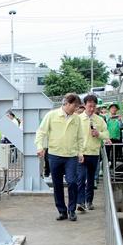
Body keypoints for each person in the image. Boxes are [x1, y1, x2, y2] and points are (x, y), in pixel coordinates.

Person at [35, 93, 84, 221]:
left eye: (77, 106)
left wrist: (80, 152)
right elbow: (41, 132)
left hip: (71, 156)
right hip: (54, 155)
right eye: (75, 105)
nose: (76, 109)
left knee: (72, 182)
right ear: (67, 103)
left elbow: (80, 137)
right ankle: (62, 211)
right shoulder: (51, 115)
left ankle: (72, 210)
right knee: (57, 184)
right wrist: (40, 147)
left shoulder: (76, 119)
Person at [77, 94, 109, 212]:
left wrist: (99, 134)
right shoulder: (78, 119)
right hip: (81, 153)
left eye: (94, 106)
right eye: (89, 106)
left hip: (94, 154)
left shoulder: (100, 120)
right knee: (80, 178)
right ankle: (80, 202)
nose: (91, 109)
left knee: (91, 179)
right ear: (84, 105)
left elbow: (106, 135)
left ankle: (89, 201)